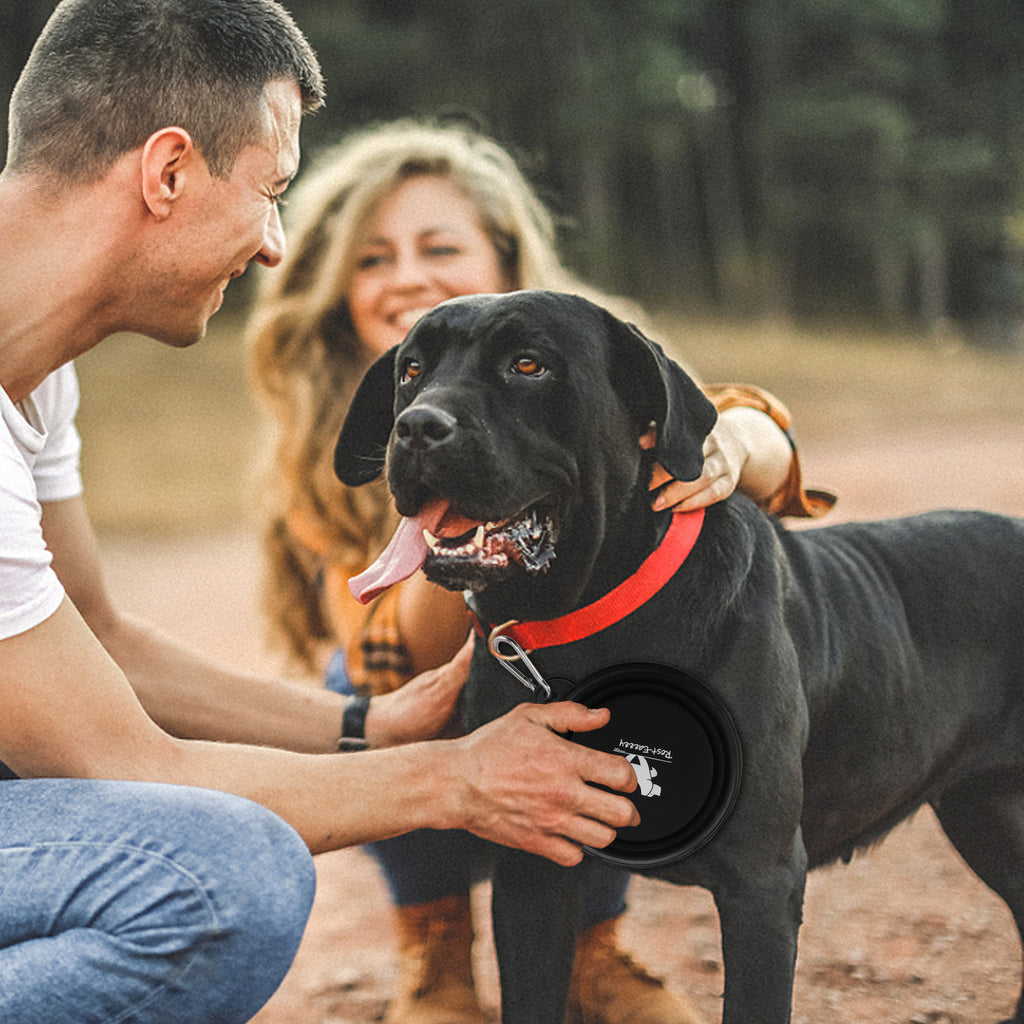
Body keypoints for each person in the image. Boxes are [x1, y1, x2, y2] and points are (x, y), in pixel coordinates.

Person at [0, 5, 647, 1023]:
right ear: (167, 172)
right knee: (222, 877)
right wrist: (456, 779)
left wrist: (367, 724)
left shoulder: (38, 374)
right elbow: (128, 763)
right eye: (271, 191)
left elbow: (103, 640)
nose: (272, 245)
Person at [247, 118, 834, 1024]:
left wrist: (743, 436)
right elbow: (379, 642)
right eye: (372, 258)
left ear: (506, 254)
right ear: (333, 288)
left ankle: (588, 953)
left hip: (590, 660)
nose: (407, 275)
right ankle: (438, 950)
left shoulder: (573, 355)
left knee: (607, 663)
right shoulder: (336, 430)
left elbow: (717, 425)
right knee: (372, 682)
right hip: (436, 684)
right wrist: (466, 533)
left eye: (439, 246)